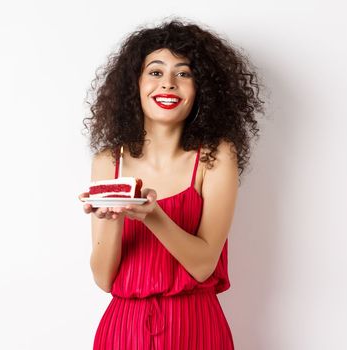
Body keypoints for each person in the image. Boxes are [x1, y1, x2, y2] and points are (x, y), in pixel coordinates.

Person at [78, 19, 264, 349]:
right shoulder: (109, 161)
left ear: (201, 87)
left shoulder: (216, 156)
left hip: (197, 328)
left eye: (184, 73)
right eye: (155, 71)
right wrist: (113, 219)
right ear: (134, 83)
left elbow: (204, 265)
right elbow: (104, 278)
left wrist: (152, 214)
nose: (168, 84)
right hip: (124, 332)